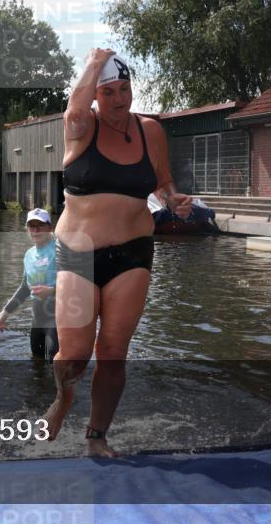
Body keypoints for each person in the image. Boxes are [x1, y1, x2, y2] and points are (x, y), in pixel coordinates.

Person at [44, 48, 191, 457]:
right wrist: (92, 64)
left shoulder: (150, 131)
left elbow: (162, 182)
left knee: (112, 352)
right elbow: (74, 107)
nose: (119, 99)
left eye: (124, 89)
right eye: (108, 92)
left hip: (133, 251)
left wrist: (171, 198)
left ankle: (96, 436)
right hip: (77, 250)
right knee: (72, 353)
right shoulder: (80, 127)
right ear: (94, 95)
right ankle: (63, 398)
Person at [0, 208, 59, 362]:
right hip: (37, 321)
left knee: (54, 365)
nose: (36, 230)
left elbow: (77, 285)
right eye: (32, 225)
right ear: (27, 229)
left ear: (50, 227)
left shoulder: (60, 249)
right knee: (36, 364)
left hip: (57, 320)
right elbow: (25, 288)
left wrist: (51, 291)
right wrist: (5, 313)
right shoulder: (29, 254)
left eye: (41, 225)